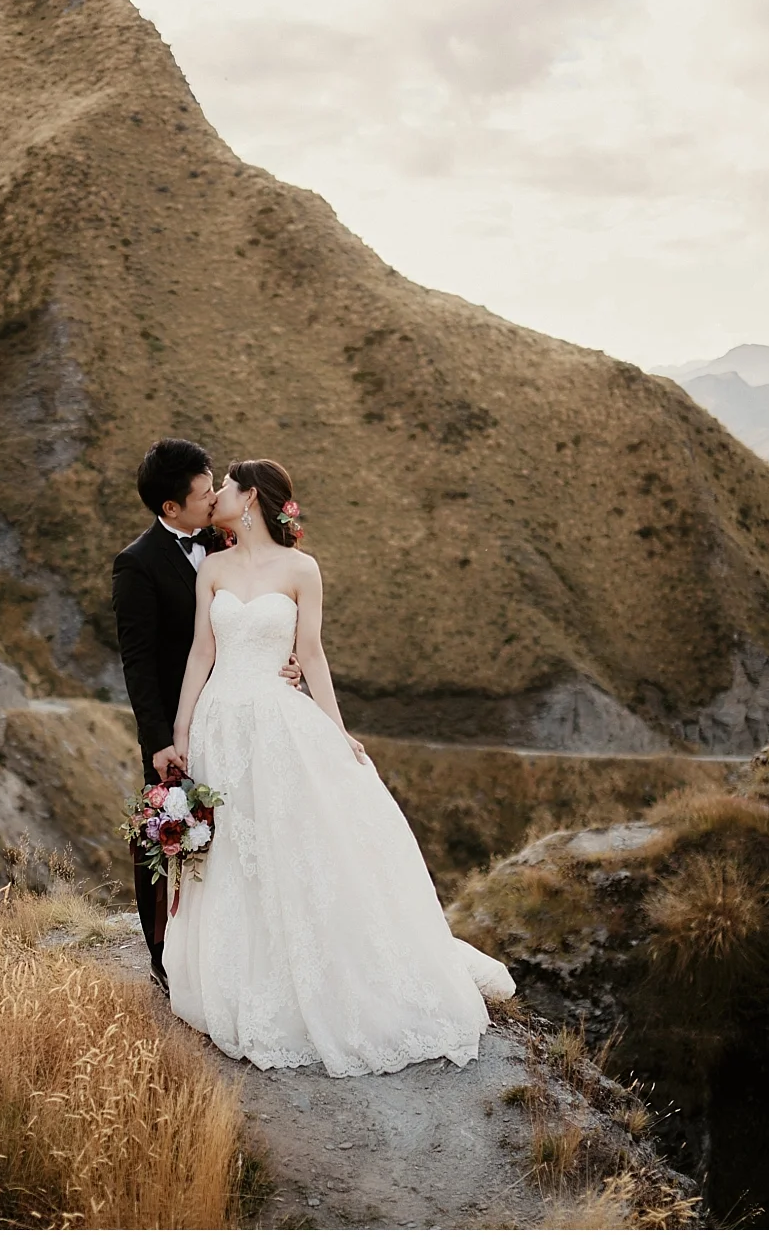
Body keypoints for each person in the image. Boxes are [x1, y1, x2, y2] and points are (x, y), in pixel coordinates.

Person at [158, 458, 515, 1077]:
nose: (213, 495)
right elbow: (200, 650)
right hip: (220, 721)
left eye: (225, 488)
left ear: (250, 501)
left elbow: (312, 654)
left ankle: (321, 976)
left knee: (288, 841)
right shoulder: (212, 568)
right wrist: (183, 729)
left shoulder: (302, 570)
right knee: (235, 849)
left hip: (273, 720)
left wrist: (336, 728)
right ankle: (240, 974)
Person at [111, 439, 302, 991]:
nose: (215, 494)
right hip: (182, 723)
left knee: (245, 830)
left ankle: (241, 948)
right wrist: (159, 740)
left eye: (215, 483)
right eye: (203, 493)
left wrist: (285, 659)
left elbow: (274, 598)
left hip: (249, 713)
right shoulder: (137, 565)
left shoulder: (229, 534)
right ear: (171, 508)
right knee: (166, 833)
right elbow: (138, 663)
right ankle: (161, 955)